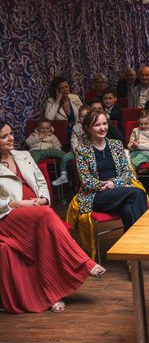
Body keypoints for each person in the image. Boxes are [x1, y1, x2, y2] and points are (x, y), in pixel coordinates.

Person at [0, 118, 106, 314]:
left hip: (37, 208)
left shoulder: (23, 155)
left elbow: (40, 181)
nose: (11, 138)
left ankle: (51, 294)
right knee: (45, 216)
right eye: (4, 136)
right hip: (9, 215)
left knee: (44, 221)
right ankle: (84, 263)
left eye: (11, 134)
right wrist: (14, 203)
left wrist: (43, 198)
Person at [75, 110, 148, 230]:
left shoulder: (116, 145)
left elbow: (127, 172)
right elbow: (86, 181)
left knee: (129, 209)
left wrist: (114, 183)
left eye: (104, 124)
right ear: (88, 128)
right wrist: (106, 185)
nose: (102, 128)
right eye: (97, 125)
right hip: (97, 195)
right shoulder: (82, 150)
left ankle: (131, 245)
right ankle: (143, 239)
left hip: (119, 191)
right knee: (137, 193)